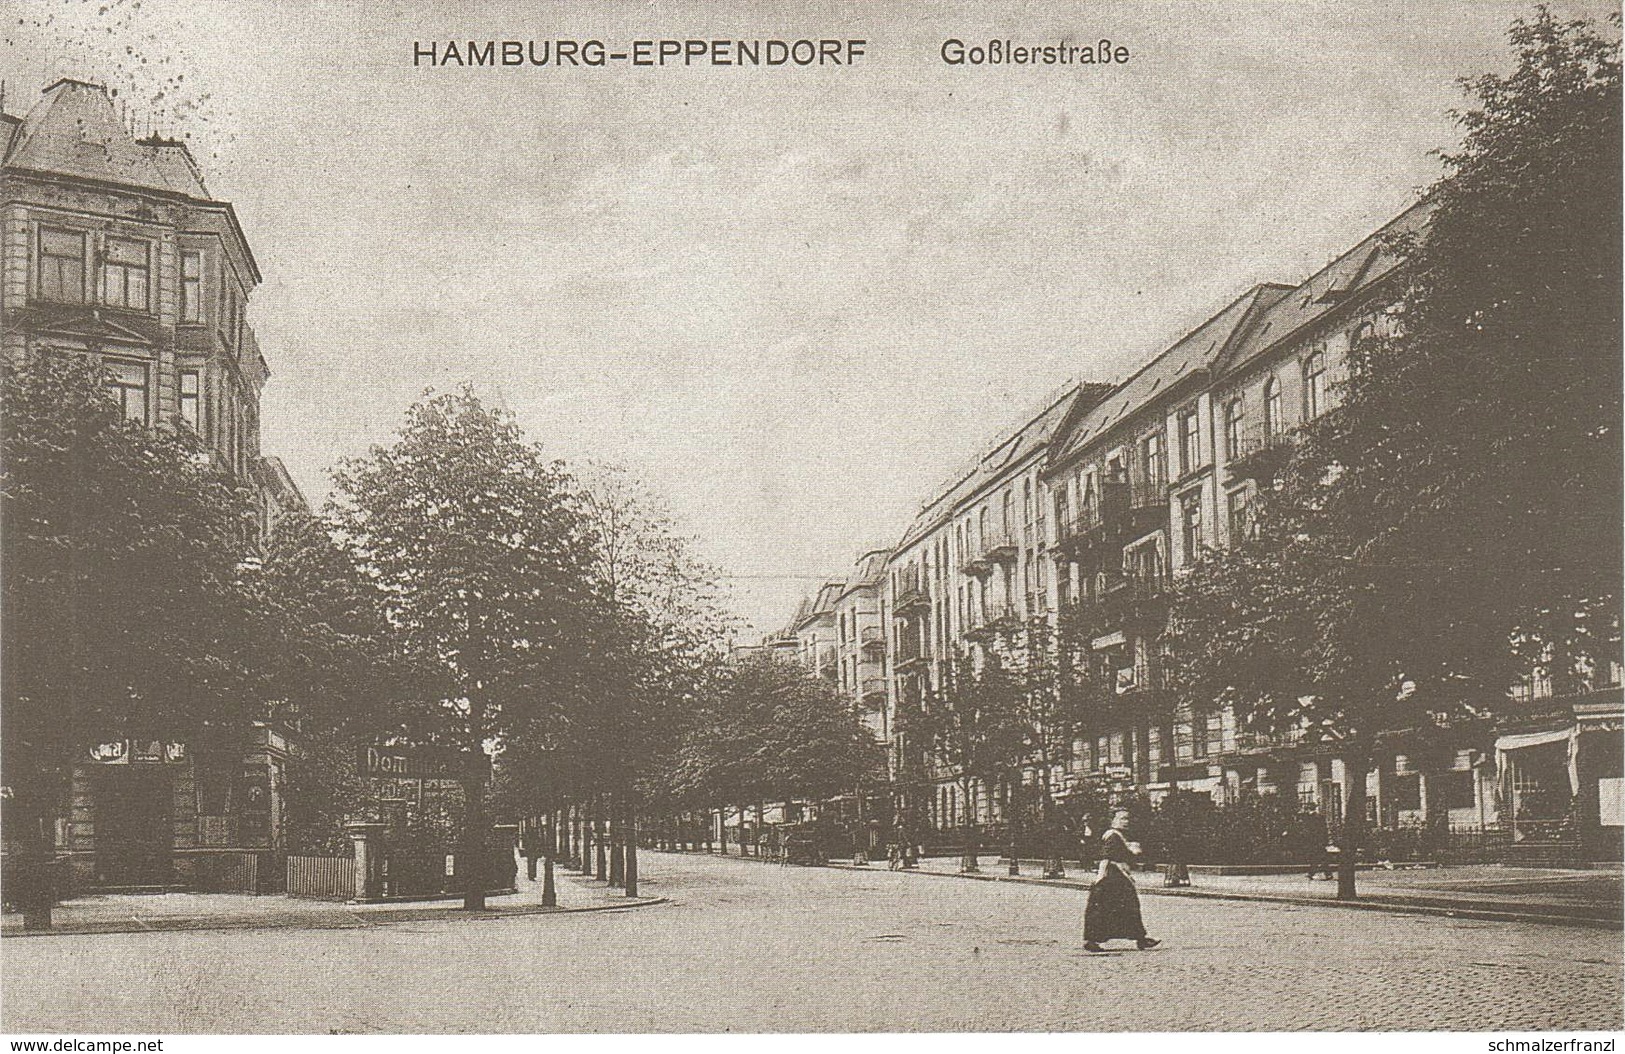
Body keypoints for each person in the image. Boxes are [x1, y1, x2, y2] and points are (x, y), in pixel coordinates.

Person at [1083, 810, 1161, 952]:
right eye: (1123, 818)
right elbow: (1108, 856)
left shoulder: (1118, 836)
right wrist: (1132, 852)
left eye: (1127, 818)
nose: (1126, 821)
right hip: (1113, 876)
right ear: (1113, 820)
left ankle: (1139, 938)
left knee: (1122, 907)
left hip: (1116, 876)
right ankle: (1139, 939)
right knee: (1116, 906)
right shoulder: (1113, 836)